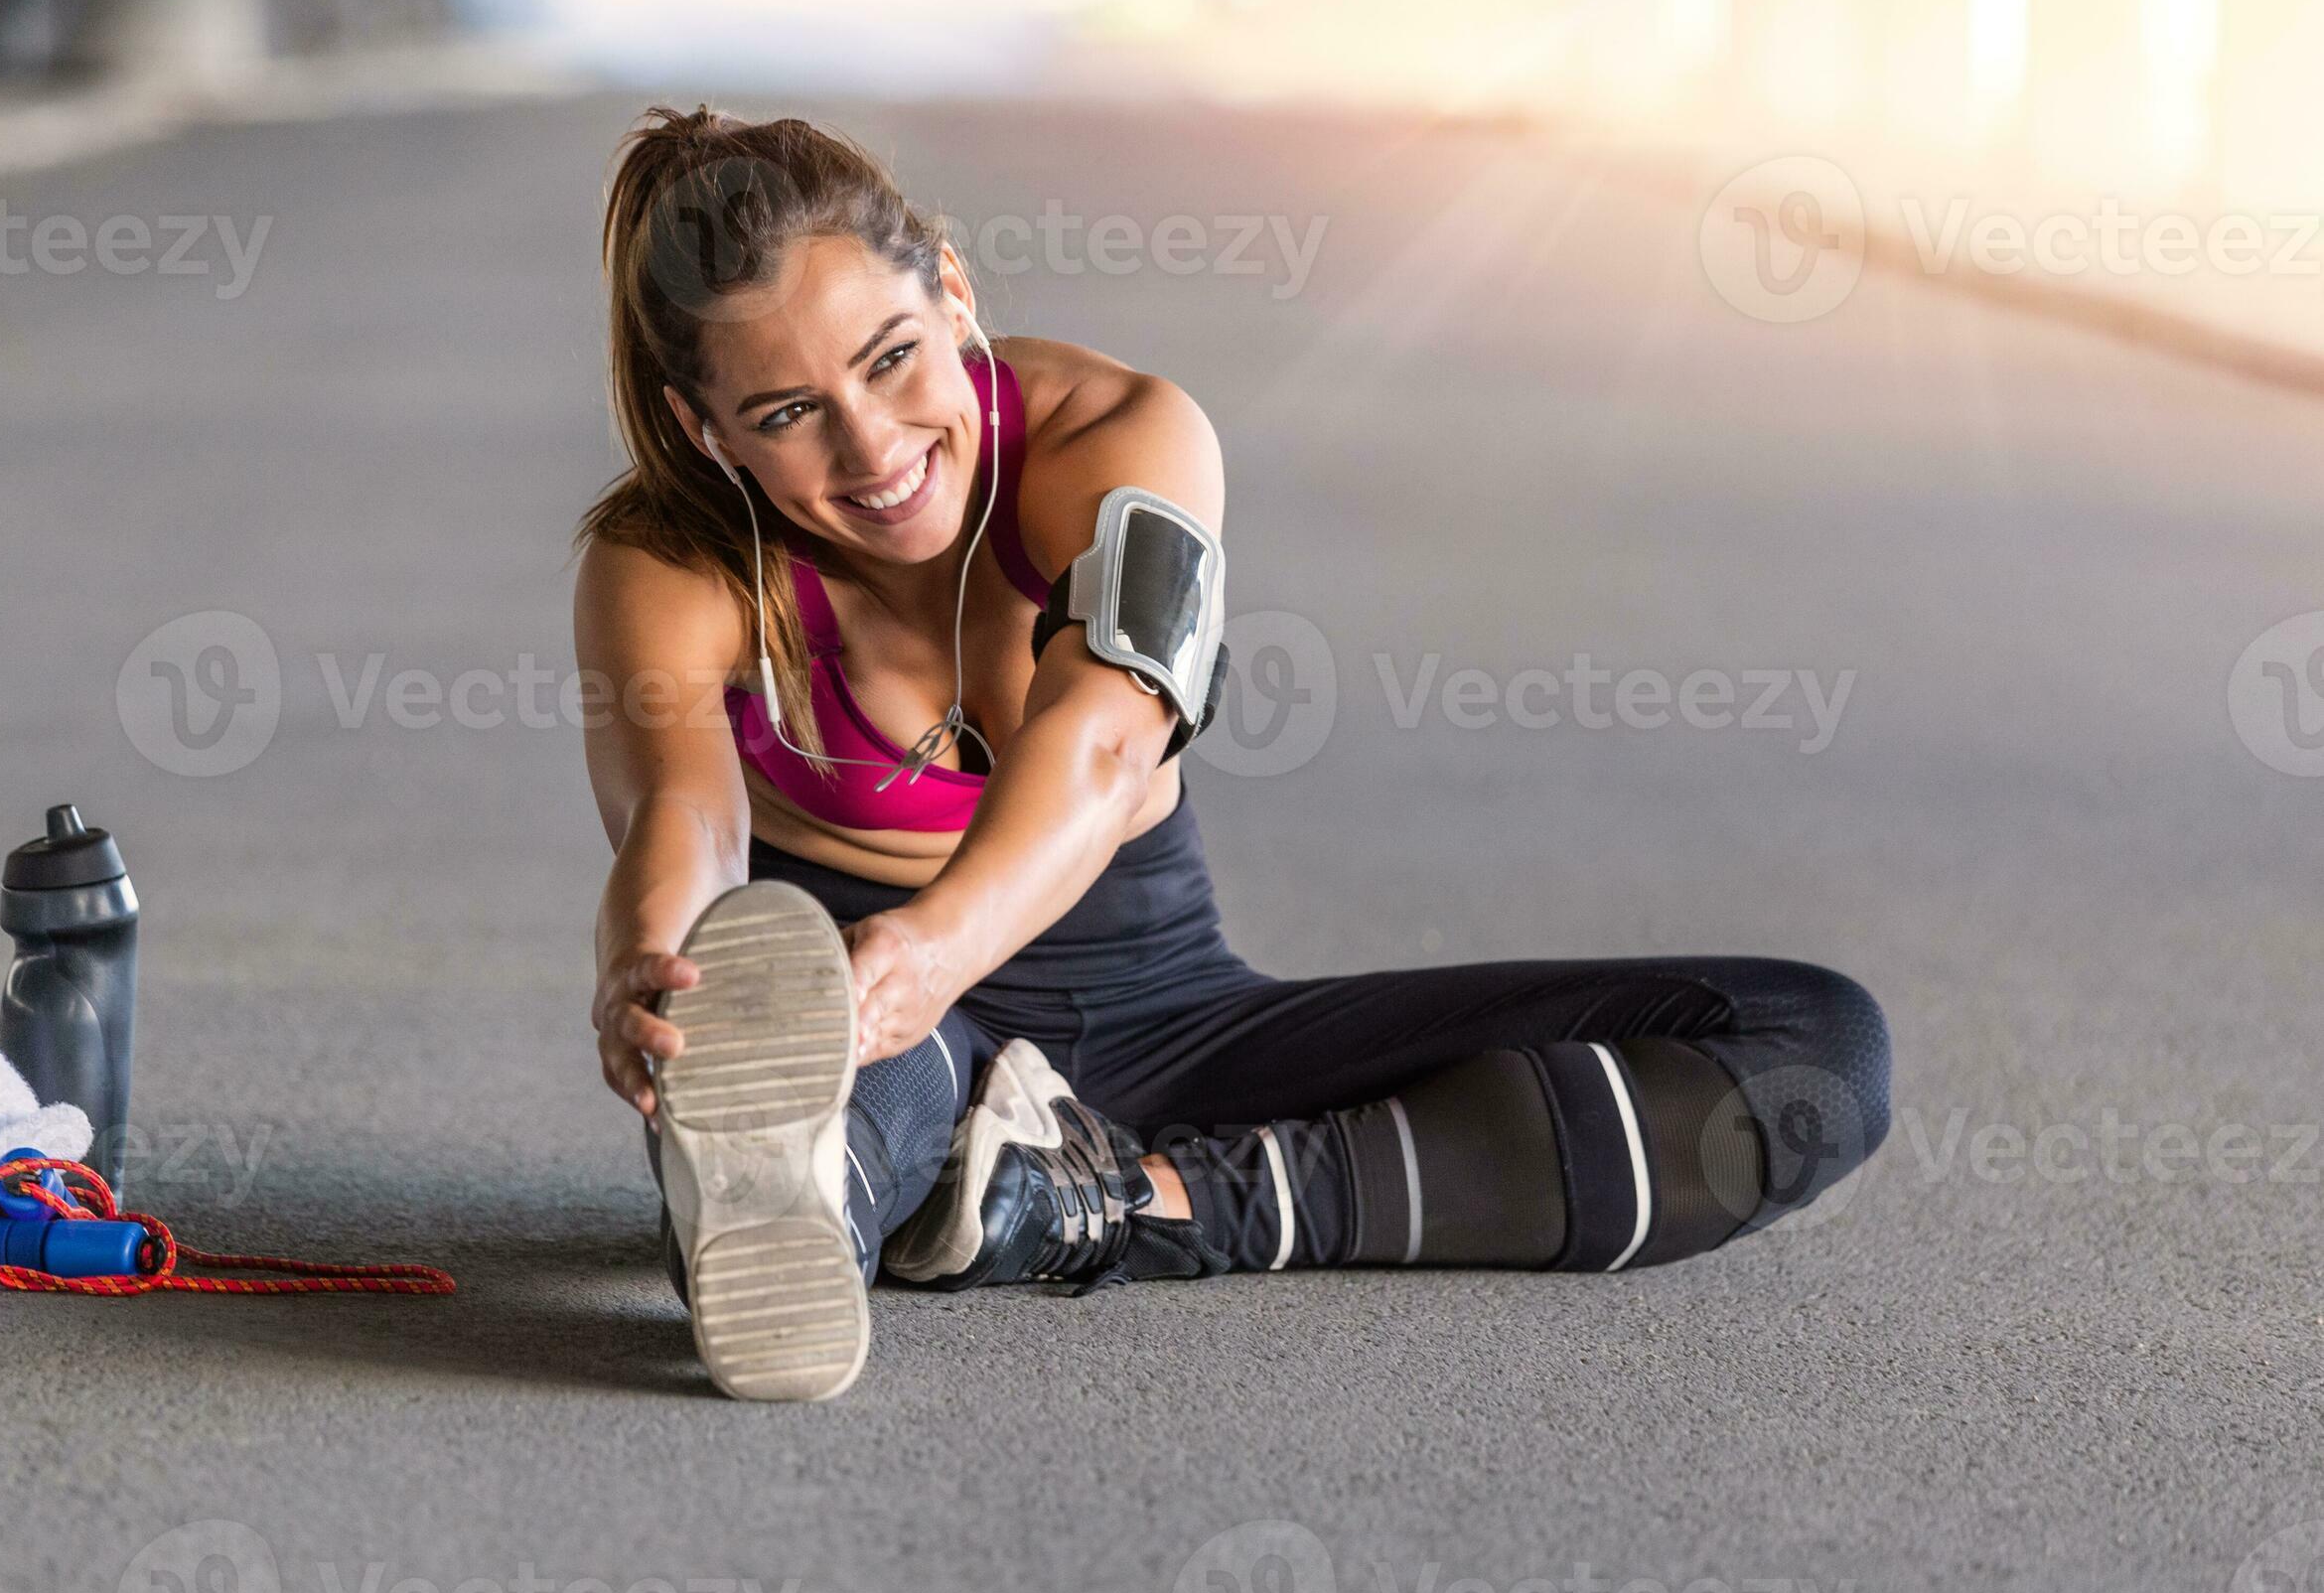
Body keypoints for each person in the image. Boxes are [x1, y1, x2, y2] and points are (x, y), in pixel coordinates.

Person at [573, 106, 1891, 1402]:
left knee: (1806, 1049)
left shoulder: (1124, 438)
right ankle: (823, 1184)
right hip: (876, 1027)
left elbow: (1104, 737)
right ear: (708, 431)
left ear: (953, 290)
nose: (871, 447)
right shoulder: (669, 566)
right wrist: (658, 960)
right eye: (790, 410)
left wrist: (934, 951)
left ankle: (1122, 1204)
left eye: (893, 357)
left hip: (1162, 1015)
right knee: (849, 1097)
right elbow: (682, 819)